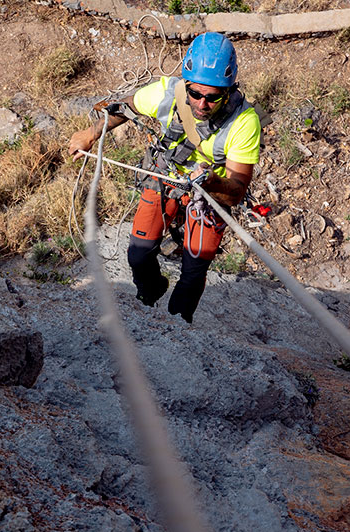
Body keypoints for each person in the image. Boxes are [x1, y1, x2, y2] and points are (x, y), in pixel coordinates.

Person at [69, 32, 262, 323]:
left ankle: (177, 325)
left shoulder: (244, 123)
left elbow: (235, 192)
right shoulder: (168, 93)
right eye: (195, 94)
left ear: (228, 90)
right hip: (167, 176)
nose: (202, 104)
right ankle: (150, 292)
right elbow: (126, 106)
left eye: (212, 98)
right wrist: (90, 135)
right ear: (186, 84)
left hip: (210, 194)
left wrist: (210, 182)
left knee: (194, 268)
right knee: (138, 254)